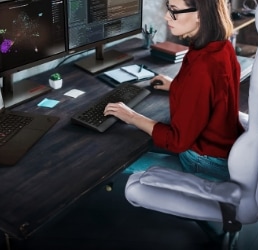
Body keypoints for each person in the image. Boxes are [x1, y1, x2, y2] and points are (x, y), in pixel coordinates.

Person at [103, 0, 244, 182]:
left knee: (118, 158)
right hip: (223, 147)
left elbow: (177, 141)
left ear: (200, 14)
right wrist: (178, 85)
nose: (166, 16)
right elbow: (211, 92)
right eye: (168, 8)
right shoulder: (220, 46)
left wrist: (131, 116)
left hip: (203, 160)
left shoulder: (202, 67)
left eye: (174, 10)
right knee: (135, 137)